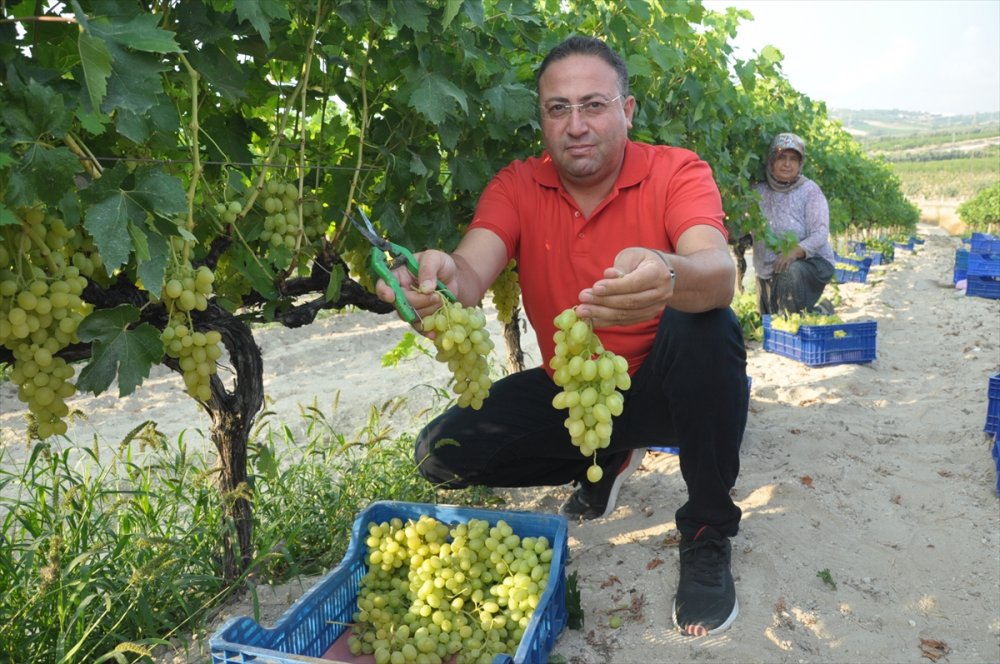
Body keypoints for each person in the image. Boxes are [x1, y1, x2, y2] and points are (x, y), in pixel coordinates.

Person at [375, 35, 749, 637]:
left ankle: (707, 528)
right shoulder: (518, 185)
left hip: (669, 388)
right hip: (577, 396)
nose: (576, 124)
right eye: (558, 108)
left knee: (704, 320)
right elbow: (469, 273)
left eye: (593, 104)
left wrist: (668, 271)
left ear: (626, 111)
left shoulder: (677, 170)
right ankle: (612, 452)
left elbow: (720, 272)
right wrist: (438, 281)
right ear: (542, 119)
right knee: (440, 454)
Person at [752, 133, 837, 316]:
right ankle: (821, 311)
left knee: (788, 315)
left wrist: (794, 252)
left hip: (810, 264)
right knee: (769, 321)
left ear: (800, 164)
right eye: (781, 157)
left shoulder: (809, 191)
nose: (787, 164)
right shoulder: (757, 191)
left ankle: (813, 313)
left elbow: (820, 233)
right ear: (771, 161)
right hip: (768, 269)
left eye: (793, 159)